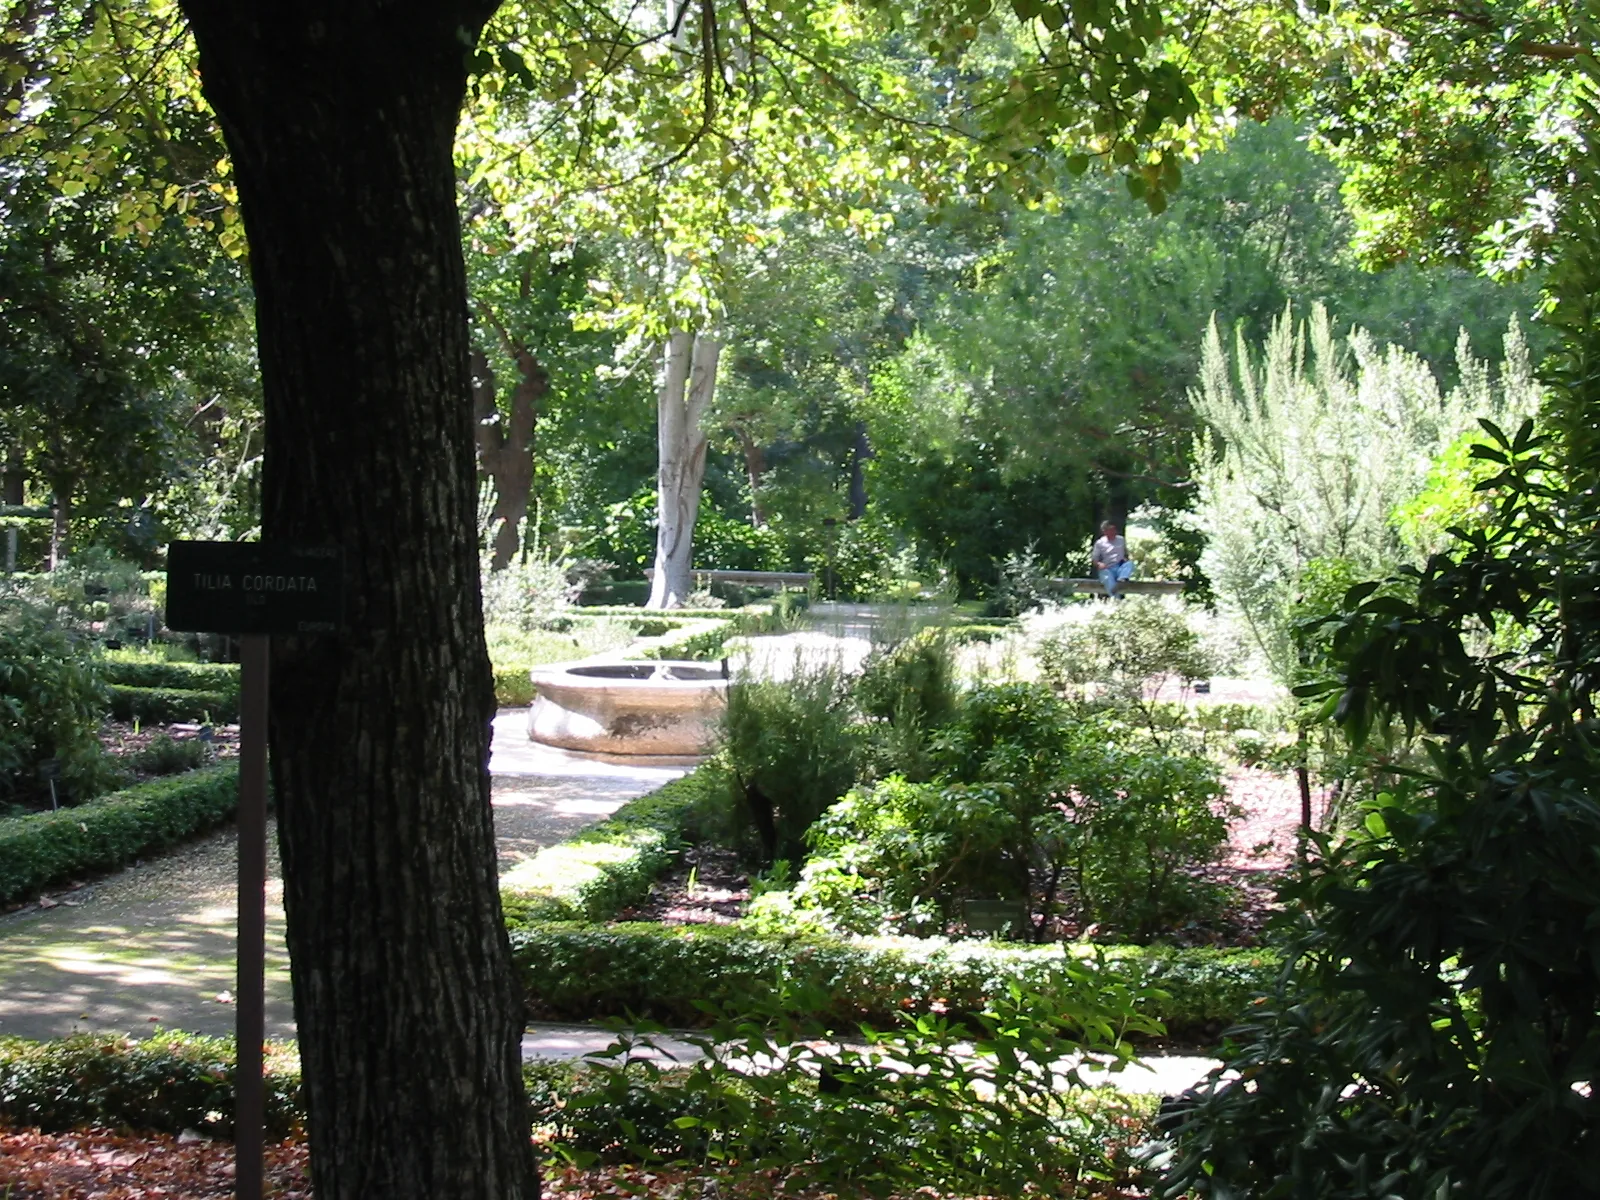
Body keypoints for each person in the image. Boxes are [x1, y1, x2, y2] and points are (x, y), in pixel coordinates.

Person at [1091, 520, 1136, 598]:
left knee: (1130, 564)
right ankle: (1116, 599)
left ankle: (1121, 579)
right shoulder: (1100, 543)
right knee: (1107, 577)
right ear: (1105, 531)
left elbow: (1126, 553)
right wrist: (1099, 564)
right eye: (1110, 530)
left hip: (1119, 566)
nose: (1113, 532)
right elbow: (1094, 559)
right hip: (1107, 568)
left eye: (1114, 529)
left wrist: (1126, 558)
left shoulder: (1121, 539)